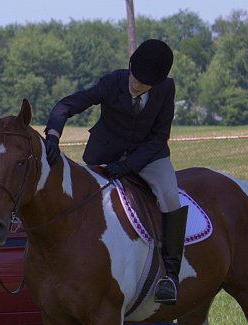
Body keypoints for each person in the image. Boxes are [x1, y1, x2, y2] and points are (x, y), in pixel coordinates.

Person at [43, 38, 186, 305]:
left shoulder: (166, 89)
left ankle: (171, 276)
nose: (135, 85)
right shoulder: (112, 82)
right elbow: (68, 105)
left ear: (156, 83)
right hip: (104, 155)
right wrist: (53, 134)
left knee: (170, 196)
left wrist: (128, 166)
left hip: (149, 156)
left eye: (142, 84)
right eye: (134, 77)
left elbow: (159, 137)